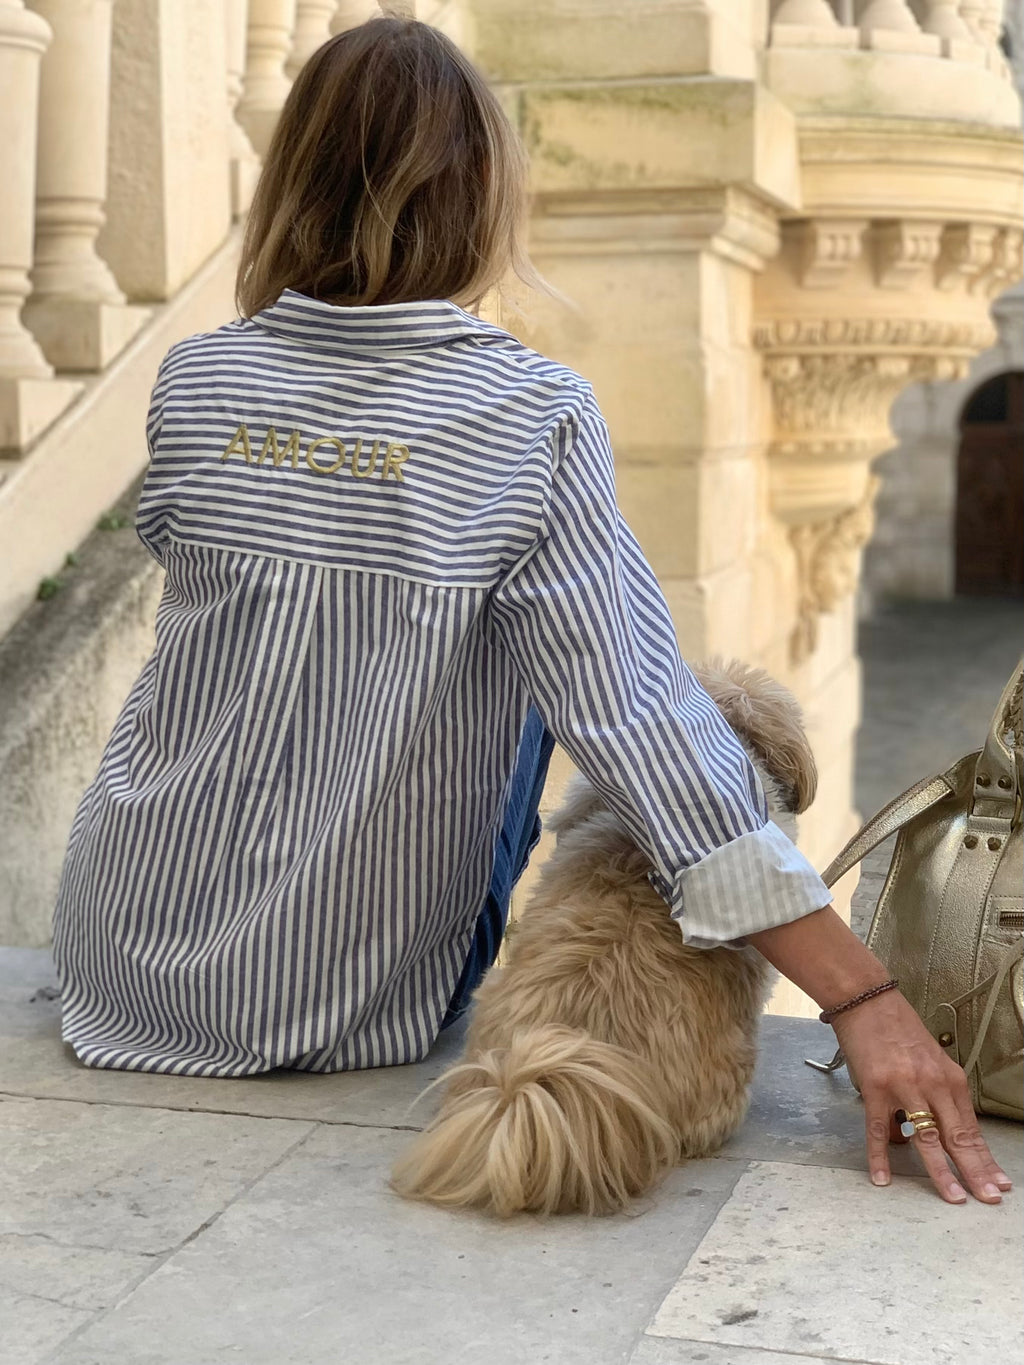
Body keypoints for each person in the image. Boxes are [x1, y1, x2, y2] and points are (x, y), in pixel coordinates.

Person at [52, 17, 1009, 1210]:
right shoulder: (527, 411)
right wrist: (864, 997)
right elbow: (646, 731)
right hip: (326, 1005)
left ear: (291, 182)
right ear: (481, 196)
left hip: (119, 955)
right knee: (577, 681)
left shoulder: (196, 379)